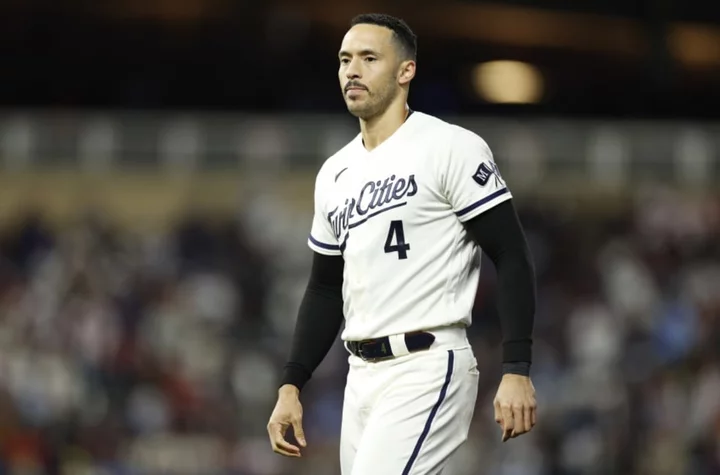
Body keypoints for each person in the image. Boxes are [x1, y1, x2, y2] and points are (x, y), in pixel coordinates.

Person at [267, 12, 537, 474]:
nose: (352, 70)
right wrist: (291, 385)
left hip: (429, 364)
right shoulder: (335, 172)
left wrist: (517, 368)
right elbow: (325, 288)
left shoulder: (449, 146)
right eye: (345, 59)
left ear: (405, 71)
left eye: (369, 58)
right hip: (362, 376)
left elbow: (510, 254)